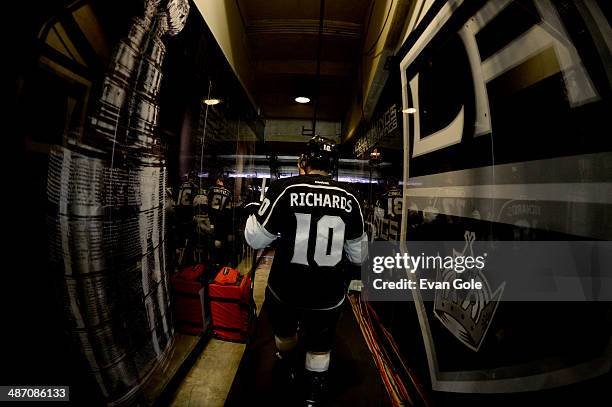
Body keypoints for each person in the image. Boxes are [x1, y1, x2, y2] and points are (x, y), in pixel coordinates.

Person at [244, 136, 368, 406]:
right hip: (328, 294)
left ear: (303, 163)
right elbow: (359, 255)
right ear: (332, 166)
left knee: (285, 334)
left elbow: (255, 240)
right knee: (320, 346)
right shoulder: (351, 199)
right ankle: (313, 392)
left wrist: (254, 212)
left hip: (285, 289)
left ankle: (286, 366)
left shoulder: (283, 189)